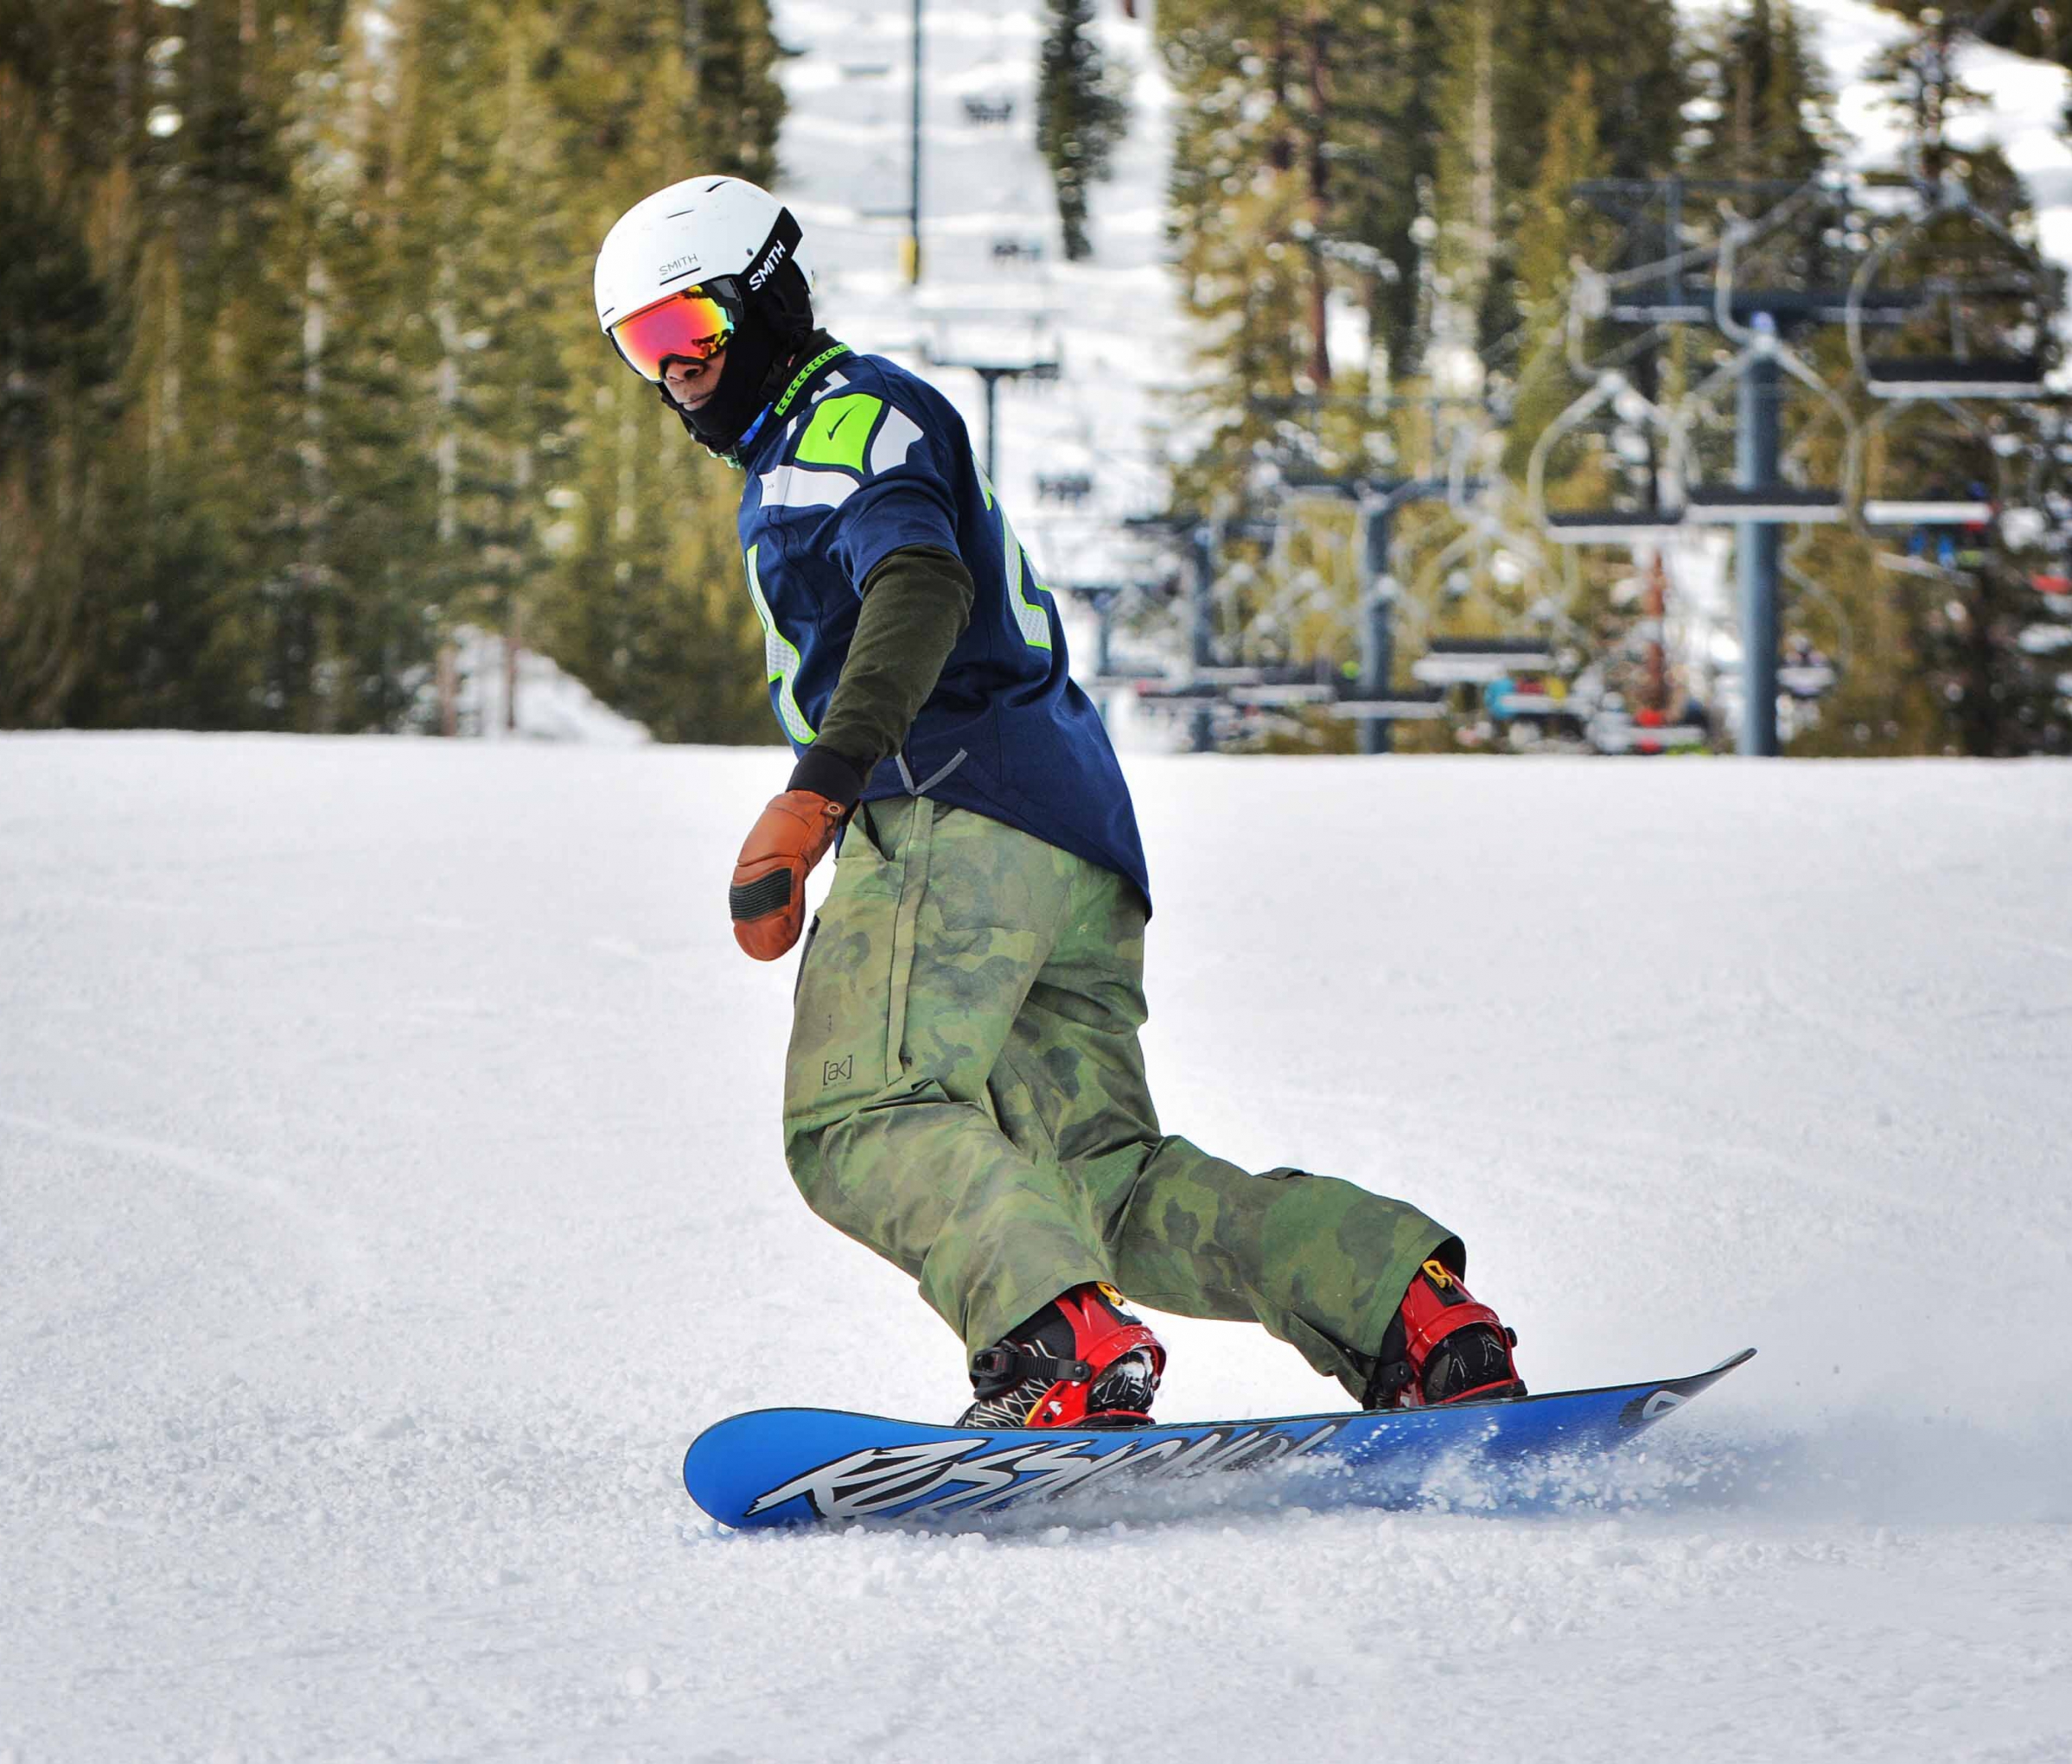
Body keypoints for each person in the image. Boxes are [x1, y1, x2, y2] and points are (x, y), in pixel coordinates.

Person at [590, 176, 1524, 1427]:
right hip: (1068, 835)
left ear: (765, 299)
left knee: (858, 1112)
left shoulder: (845, 420)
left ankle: (1053, 1342)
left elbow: (918, 587)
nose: (675, 375)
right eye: (642, 350)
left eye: (689, 331)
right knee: (1107, 1182)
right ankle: (1405, 1314)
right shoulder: (816, 442)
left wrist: (820, 793)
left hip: (953, 813)